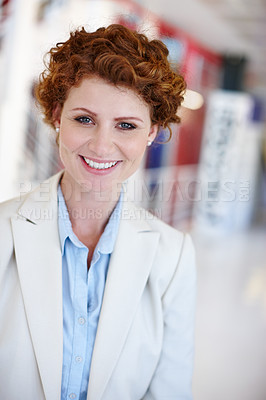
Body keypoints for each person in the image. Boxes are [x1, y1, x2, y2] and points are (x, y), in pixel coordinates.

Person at [0, 24, 196, 400]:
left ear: (152, 132)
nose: (103, 146)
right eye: (84, 119)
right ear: (57, 114)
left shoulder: (173, 257)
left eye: (126, 125)